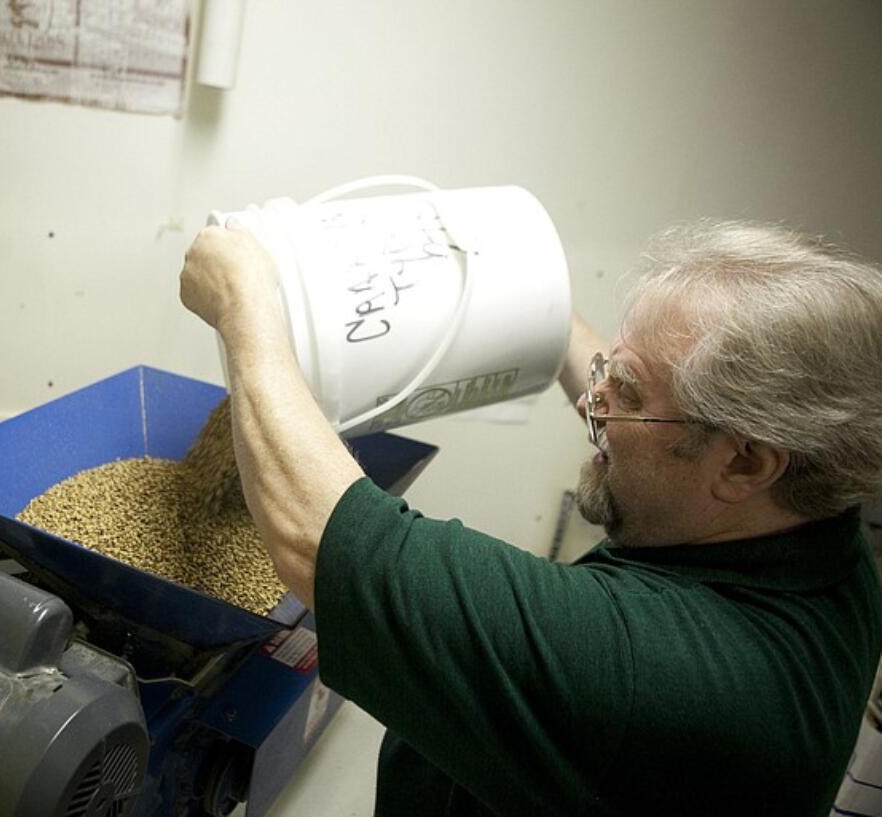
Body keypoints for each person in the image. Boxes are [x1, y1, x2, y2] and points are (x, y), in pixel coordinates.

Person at [179, 217, 882, 816]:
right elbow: (646, 407)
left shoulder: (658, 675)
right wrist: (527, 284)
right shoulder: (825, 542)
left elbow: (317, 538)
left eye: (625, 389)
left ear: (745, 464)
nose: (596, 399)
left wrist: (246, 304)